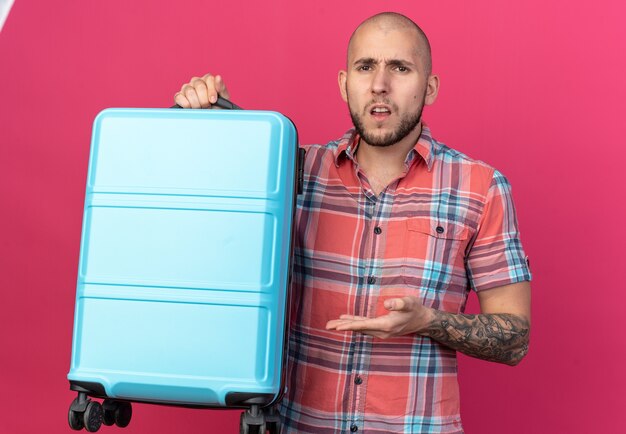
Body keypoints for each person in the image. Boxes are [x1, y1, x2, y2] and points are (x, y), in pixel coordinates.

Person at [174, 12, 532, 434]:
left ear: (430, 87)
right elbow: (204, 234)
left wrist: (427, 321)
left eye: (400, 67)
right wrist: (212, 122)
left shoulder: (481, 187)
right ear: (345, 83)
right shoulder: (292, 171)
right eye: (366, 67)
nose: (380, 84)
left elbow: (515, 339)